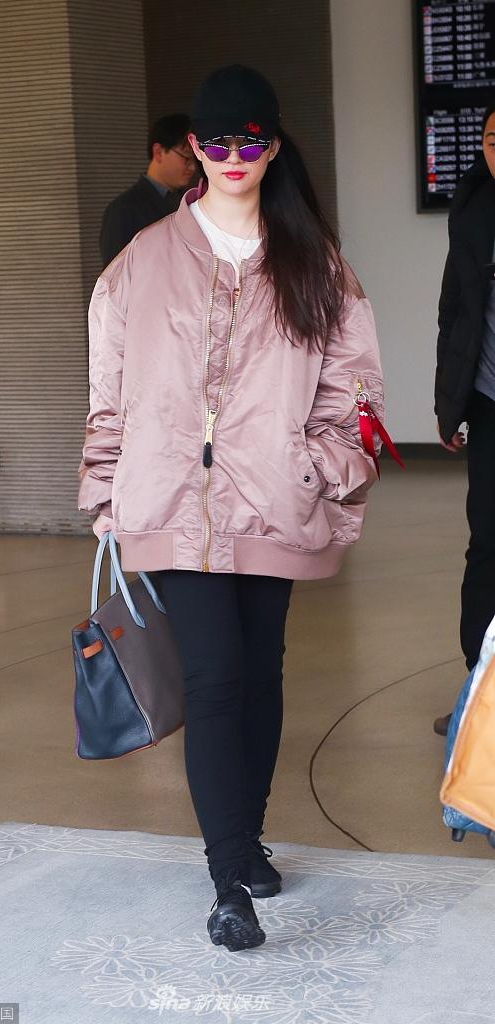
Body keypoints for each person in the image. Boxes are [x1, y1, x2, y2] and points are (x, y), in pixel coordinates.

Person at [78, 65, 384, 952]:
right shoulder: (142, 261)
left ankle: (246, 842)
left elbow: (354, 392)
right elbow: (108, 388)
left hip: (273, 502)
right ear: (194, 148)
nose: (232, 155)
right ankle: (226, 885)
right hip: (171, 501)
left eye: (250, 139)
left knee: (259, 675)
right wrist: (104, 486)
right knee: (212, 678)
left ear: (273, 145)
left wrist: (312, 465)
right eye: (215, 141)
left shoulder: (315, 263)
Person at [434, 101, 495, 737]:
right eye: (493, 139)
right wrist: (447, 403)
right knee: (487, 545)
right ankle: (477, 688)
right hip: (488, 401)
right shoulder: (472, 207)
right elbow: (453, 311)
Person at [99, 113, 196, 268]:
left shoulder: (192, 201)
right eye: (186, 157)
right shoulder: (123, 209)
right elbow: (115, 275)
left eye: (195, 159)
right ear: (158, 152)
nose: (192, 167)